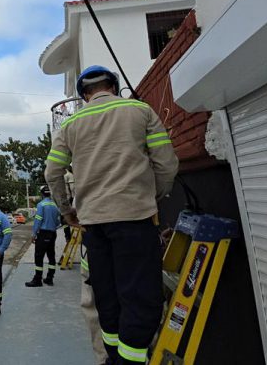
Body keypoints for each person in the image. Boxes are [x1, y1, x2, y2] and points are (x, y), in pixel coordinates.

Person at [45, 65, 178, 365]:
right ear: (113, 86)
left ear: (84, 95)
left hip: (94, 226)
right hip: (136, 219)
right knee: (140, 295)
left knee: (106, 295)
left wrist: (67, 211)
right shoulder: (140, 111)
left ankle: (113, 358)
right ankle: (131, 361)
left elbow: (52, 172)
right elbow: (166, 165)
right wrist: (151, 196)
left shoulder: (69, 125)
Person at [25, 185, 61, 287]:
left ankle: (37, 279)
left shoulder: (41, 205)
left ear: (41, 194)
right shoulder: (54, 205)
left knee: (39, 256)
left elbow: (38, 220)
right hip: (53, 233)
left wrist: (34, 234)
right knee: (51, 256)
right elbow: (58, 221)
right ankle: (50, 278)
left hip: (43, 233)